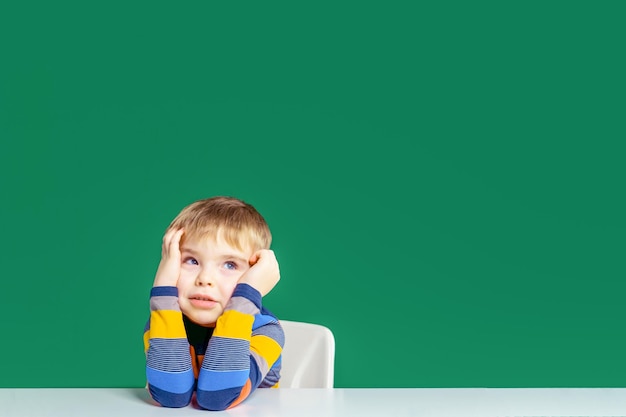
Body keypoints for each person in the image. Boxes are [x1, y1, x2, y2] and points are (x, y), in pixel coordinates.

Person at [143, 196, 284, 411]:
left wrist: (246, 297)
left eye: (229, 264)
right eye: (191, 261)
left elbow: (218, 398)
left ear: (255, 274)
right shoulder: (166, 321)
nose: (205, 279)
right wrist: (163, 288)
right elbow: (171, 397)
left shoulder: (266, 330)